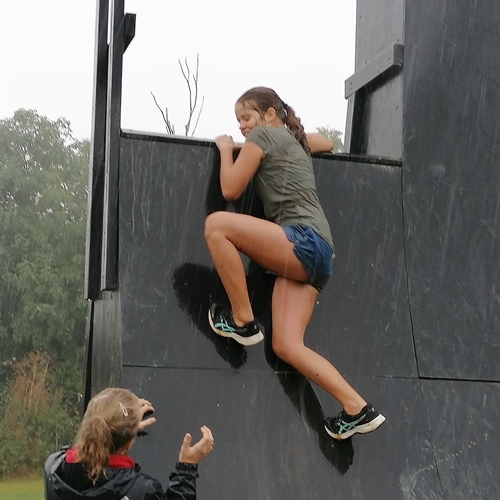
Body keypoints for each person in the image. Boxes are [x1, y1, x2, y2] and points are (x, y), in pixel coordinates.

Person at [204, 86, 385, 440]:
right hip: (320, 254)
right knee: (286, 345)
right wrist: (287, 131)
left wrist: (227, 150)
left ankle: (242, 321)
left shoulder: (263, 135)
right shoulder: (292, 140)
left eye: (247, 117)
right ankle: (357, 408)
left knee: (216, 226)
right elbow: (325, 143)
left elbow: (230, 189)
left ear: (270, 114)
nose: (242, 126)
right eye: (238, 121)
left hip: (302, 241)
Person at [44, 387, 214, 500]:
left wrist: (123, 427)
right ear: (127, 445)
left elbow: (78, 449)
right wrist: (186, 469)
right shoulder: (142, 491)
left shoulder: (53, 468)